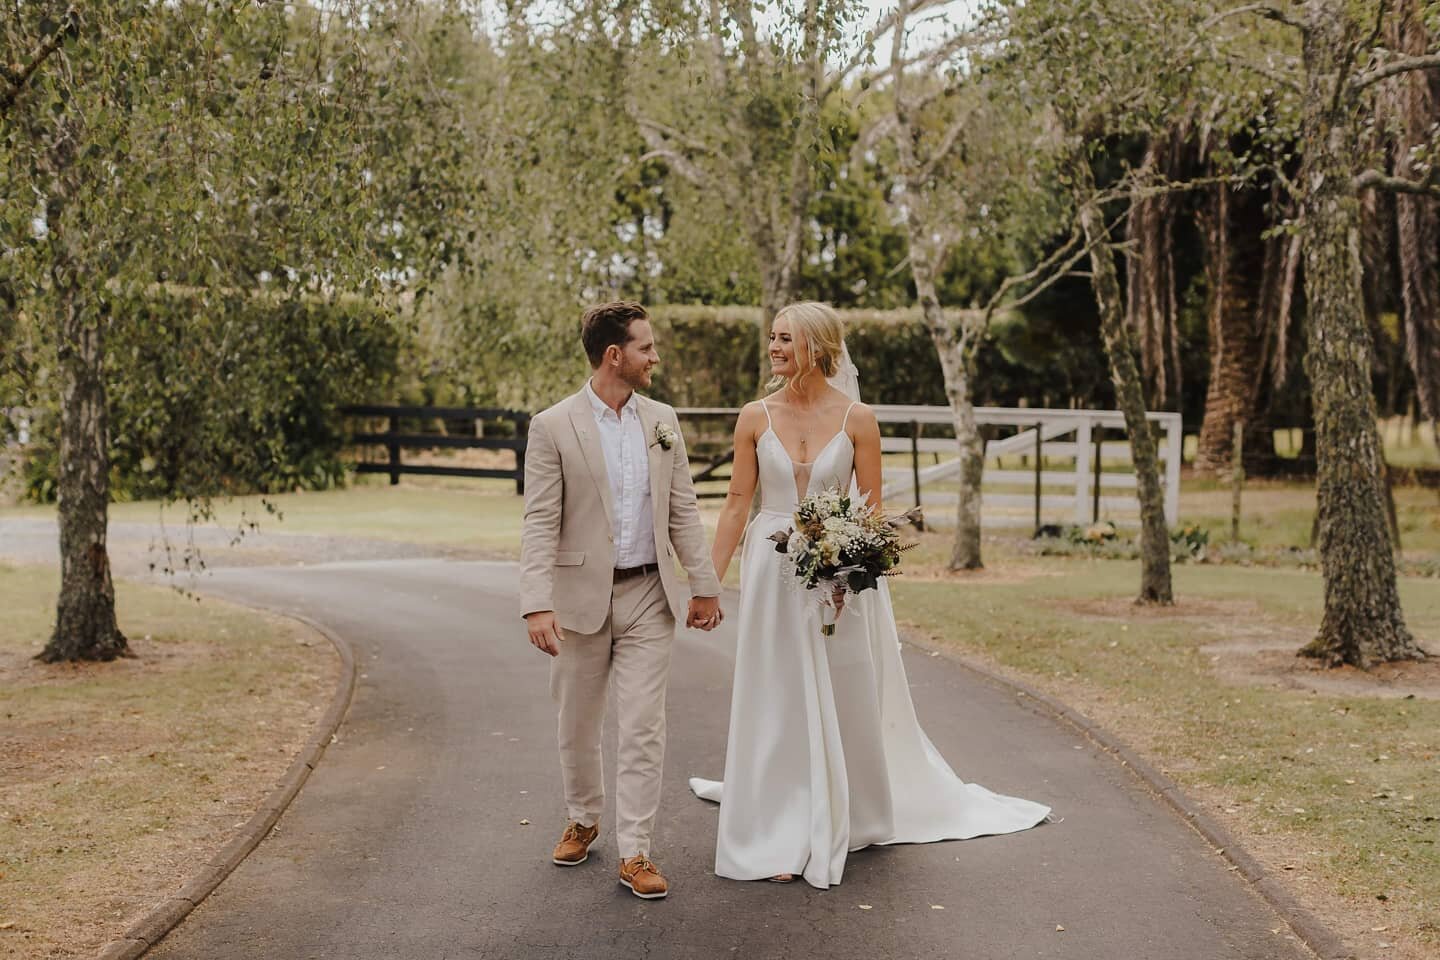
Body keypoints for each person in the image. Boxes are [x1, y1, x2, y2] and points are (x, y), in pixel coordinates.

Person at [689, 301, 1050, 889]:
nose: (774, 348)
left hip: (842, 579)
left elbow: (873, 513)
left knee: (842, 690)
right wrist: (708, 582)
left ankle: (845, 809)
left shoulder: (859, 418)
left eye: (786, 339)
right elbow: (736, 503)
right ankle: (781, 821)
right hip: (770, 573)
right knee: (777, 692)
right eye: (773, 338)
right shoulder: (754, 416)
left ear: (818, 348)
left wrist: (847, 571)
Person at [520, 300, 723, 900]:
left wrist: (704, 582)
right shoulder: (552, 426)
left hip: (647, 595)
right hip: (579, 597)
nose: (655, 357)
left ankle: (636, 851)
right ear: (616, 355)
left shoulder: (662, 420)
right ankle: (583, 817)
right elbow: (539, 521)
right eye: (646, 347)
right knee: (578, 723)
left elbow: (683, 507)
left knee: (642, 726)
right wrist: (536, 601)